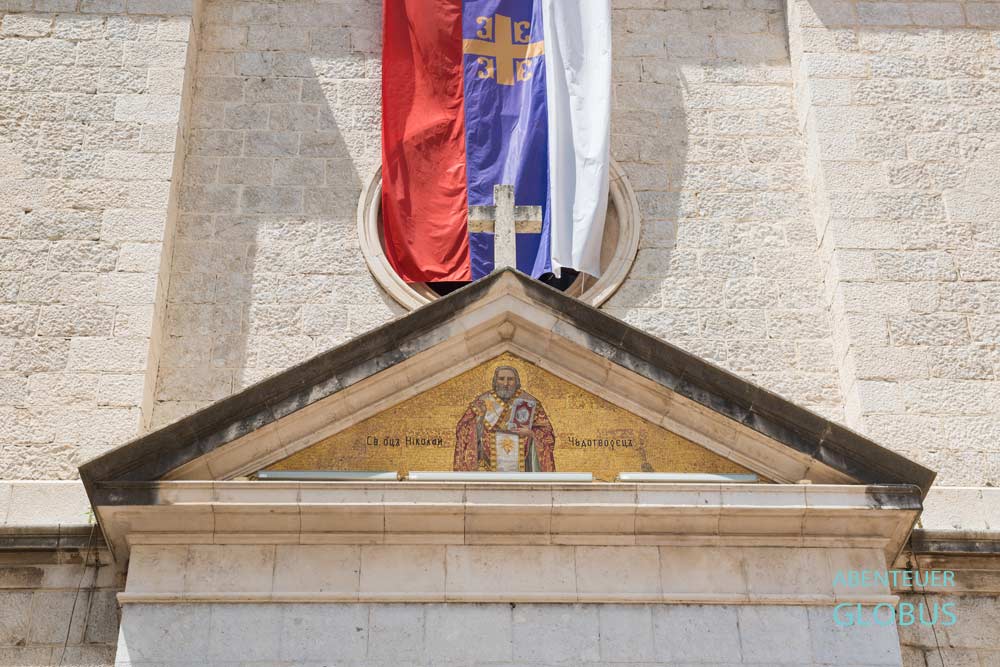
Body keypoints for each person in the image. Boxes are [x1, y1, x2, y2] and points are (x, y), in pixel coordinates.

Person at [453, 366, 556, 472]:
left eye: (510, 379)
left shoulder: (530, 402)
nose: (506, 383)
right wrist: (480, 419)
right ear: (495, 381)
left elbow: (547, 435)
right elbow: (463, 432)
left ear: (517, 381)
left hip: (524, 468)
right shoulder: (482, 402)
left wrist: (531, 434)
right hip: (488, 469)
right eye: (501, 379)